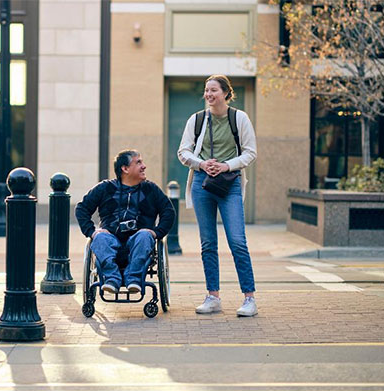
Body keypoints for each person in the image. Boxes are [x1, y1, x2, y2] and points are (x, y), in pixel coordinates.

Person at [177, 74, 258, 317]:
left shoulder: (239, 118)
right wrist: (202, 164)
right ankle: (213, 296)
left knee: (237, 241)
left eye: (213, 90)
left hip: (229, 182)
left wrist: (227, 165)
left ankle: (249, 299)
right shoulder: (198, 119)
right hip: (202, 182)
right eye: (206, 90)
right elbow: (183, 152)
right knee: (208, 243)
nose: (209, 94)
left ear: (225, 93)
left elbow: (250, 153)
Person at [75, 150, 175, 294]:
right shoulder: (105, 188)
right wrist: (91, 231)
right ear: (125, 168)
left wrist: (156, 232)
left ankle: (134, 279)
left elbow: (168, 211)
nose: (144, 166)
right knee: (99, 237)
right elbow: (82, 208)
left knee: (145, 235)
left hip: (139, 243)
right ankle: (111, 279)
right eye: (138, 162)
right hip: (110, 241)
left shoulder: (150, 189)